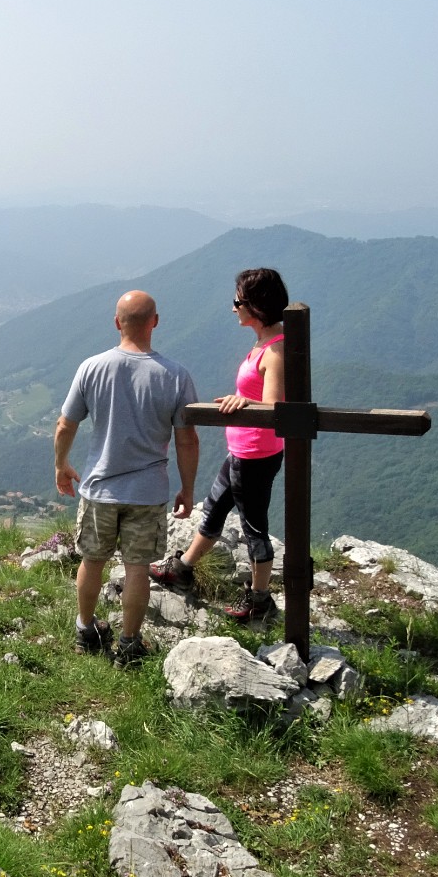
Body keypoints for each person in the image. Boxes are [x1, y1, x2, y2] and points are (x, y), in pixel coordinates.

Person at [54, 291, 200, 667]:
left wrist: (61, 464)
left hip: (100, 488)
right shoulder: (176, 375)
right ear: (155, 321)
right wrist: (187, 487)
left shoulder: (92, 367)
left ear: (117, 323)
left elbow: (66, 424)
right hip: (148, 492)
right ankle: (129, 644)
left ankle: (85, 630)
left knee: (92, 560)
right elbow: (187, 439)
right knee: (137, 570)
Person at [150, 267, 289, 621]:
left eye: (237, 302)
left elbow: (275, 408)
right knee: (213, 508)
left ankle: (260, 602)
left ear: (255, 306)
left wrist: (245, 403)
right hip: (245, 451)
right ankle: (181, 568)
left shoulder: (274, 350)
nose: (233, 309)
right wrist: (245, 400)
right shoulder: (266, 340)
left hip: (255, 454)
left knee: (254, 528)